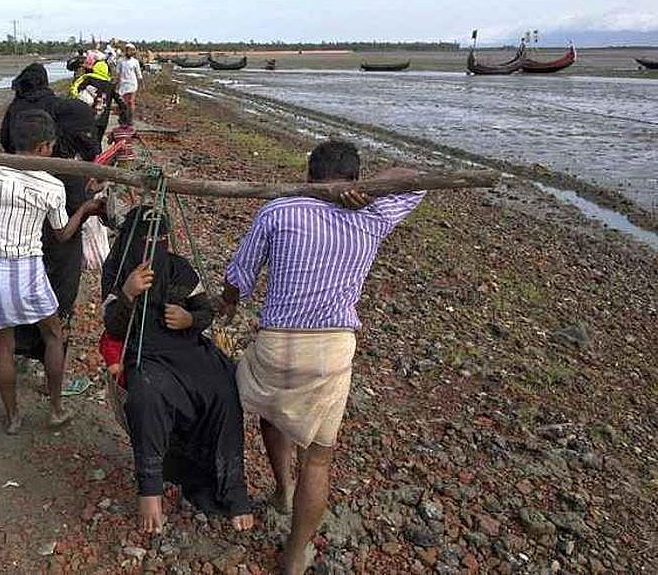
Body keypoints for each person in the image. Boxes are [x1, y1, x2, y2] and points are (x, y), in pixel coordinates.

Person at [218, 140, 425, 575]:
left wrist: (229, 302)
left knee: (271, 413)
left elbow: (239, 277)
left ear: (308, 175)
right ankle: (295, 555)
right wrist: (371, 189)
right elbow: (416, 179)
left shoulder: (279, 210)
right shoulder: (373, 215)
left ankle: (283, 491)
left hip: (278, 345)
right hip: (331, 352)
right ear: (355, 178)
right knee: (318, 456)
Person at [102, 206, 254, 535]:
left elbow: (205, 312)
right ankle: (150, 489)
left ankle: (232, 488)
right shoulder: (118, 271)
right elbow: (112, 328)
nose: (154, 248)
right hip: (146, 354)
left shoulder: (178, 268)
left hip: (189, 351)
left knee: (225, 389)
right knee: (146, 395)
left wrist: (189, 319)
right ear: (131, 240)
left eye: (161, 240)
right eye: (146, 241)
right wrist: (127, 293)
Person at [0, 110, 103, 433]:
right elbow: (62, 234)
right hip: (29, 271)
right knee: (54, 335)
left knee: (4, 346)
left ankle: (13, 418)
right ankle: (56, 409)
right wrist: (86, 210)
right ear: (44, 147)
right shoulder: (51, 185)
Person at [0, 98, 101, 368]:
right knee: (53, 325)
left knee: (7, 331)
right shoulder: (66, 173)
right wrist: (88, 205)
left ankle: (14, 360)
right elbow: (66, 228)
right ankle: (49, 380)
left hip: (12, 256)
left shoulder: (1, 169)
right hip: (55, 257)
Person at [69, 60, 130, 141]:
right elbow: (121, 102)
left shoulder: (87, 79)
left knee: (83, 142)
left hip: (87, 118)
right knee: (97, 142)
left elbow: (74, 92)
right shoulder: (110, 85)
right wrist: (124, 119)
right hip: (102, 120)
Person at [117, 43, 143, 117]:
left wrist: (141, 85)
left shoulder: (135, 62)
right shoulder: (120, 61)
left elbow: (139, 74)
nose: (129, 52)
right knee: (123, 102)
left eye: (131, 51)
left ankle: (130, 118)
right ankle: (124, 117)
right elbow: (118, 73)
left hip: (132, 84)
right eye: (127, 50)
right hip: (123, 84)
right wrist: (116, 84)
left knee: (130, 102)